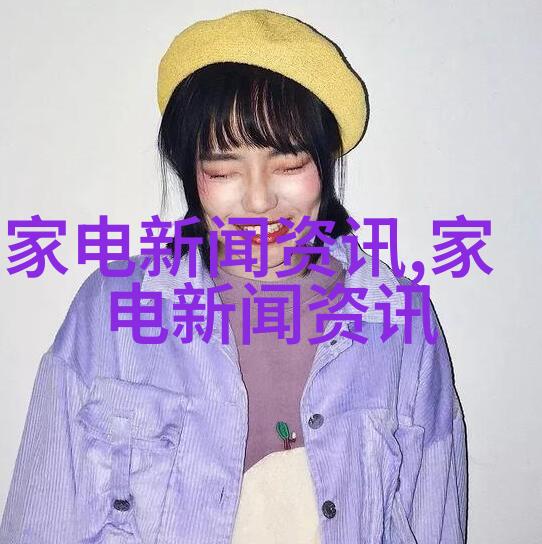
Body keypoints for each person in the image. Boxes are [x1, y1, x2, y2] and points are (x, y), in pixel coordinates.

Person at [0, 8, 467, 544]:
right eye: (223, 169)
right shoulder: (110, 310)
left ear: (325, 163)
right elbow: (41, 521)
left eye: (289, 164)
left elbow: (433, 515)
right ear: (190, 172)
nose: (259, 200)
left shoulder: (399, 319)